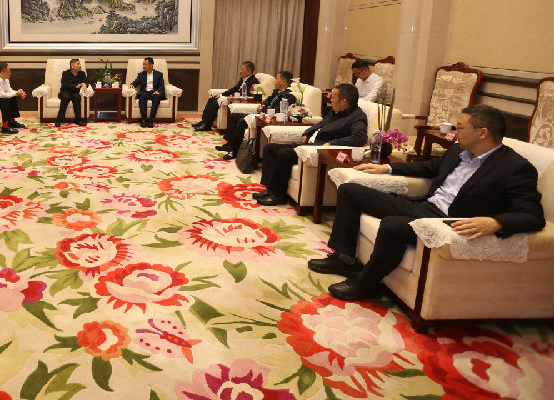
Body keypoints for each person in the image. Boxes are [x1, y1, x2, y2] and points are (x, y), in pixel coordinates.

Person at [308, 105, 545, 301]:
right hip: (423, 206)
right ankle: (345, 258)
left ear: (482, 133)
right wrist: (387, 168)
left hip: (446, 221)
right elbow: (428, 167)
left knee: (392, 224)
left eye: (460, 127)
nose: (455, 132)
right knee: (350, 190)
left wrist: (495, 222)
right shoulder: (458, 151)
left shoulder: (514, 168)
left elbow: (532, 215)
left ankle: (366, 285)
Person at [252, 83, 368, 206]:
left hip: (318, 150)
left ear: (344, 101)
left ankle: (278, 195)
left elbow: (359, 138)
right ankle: (270, 190)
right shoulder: (334, 111)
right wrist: (307, 133)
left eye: (333, 97)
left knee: (284, 154)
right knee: (270, 148)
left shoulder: (357, 117)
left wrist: (332, 143)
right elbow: (320, 124)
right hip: (309, 144)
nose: (331, 100)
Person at [216, 70, 297, 159]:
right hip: (261, 115)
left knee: (242, 121)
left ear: (283, 82)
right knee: (234, 116)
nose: (275, 81)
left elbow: (277, 110)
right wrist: (262, 105)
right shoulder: (276, 91)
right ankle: (229, 144)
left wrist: (263, 109)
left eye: (277, 79)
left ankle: (234, 151)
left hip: (268, 118)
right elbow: (267, 100)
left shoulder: (289, 96)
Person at [193, 61, 259, 132]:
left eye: (242, 70)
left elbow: (249, 95)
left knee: (215, 102)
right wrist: (221, 94)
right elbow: (233, 89)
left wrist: (234, 97)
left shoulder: (254, 82)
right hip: (234, 98)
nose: (240, 71)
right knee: (212, 99)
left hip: (240, 101)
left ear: (249, 71)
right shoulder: (242, 79)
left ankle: (207, 125)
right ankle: (204, 122)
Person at [128, 57, 165, 128]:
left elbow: (161, 86)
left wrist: (158, 91)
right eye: (143, 64)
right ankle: (143, 119)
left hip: (154, 92)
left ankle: (151, 119)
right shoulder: (141, 74)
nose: (143, 66)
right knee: (142, 97)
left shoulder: (159, 74)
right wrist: (132, 85)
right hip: (145, 92)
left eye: (145, 64)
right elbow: (136, 82)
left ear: (151, 65)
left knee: (157, 97)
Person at [55, 58, 88, 127]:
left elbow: (85, 83)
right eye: (78, 64)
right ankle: (59, 119)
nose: (80, 66)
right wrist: (77, 86)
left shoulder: (82, 73)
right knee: (66, 97)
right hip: (65, 92)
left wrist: (84, 84)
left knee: (77, 97)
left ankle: (78, 120)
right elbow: (64, 85)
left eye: (80, 64)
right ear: (72, 66)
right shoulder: (65, 73)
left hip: (75, 92)